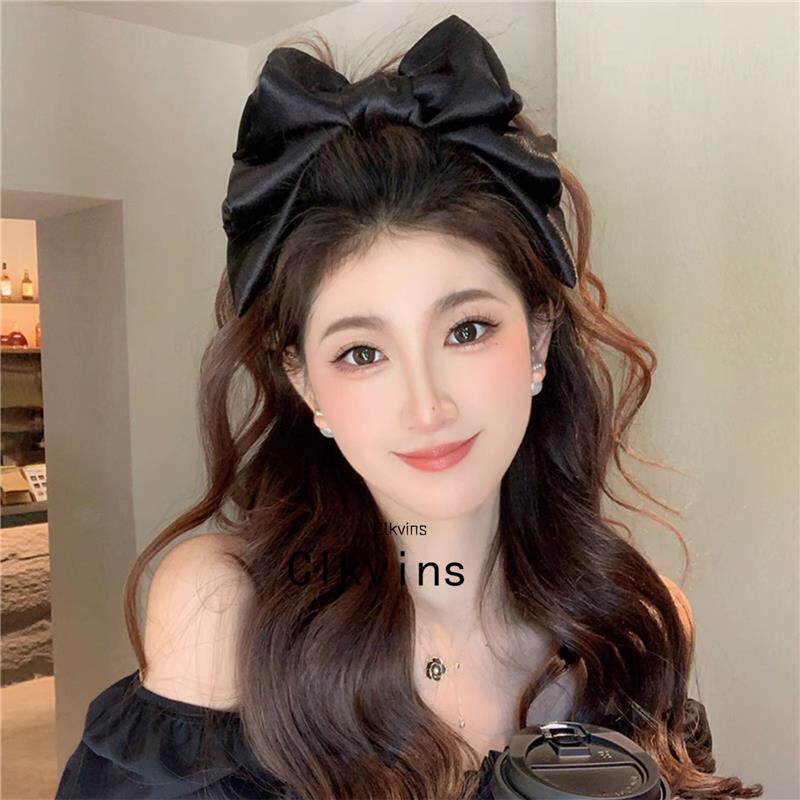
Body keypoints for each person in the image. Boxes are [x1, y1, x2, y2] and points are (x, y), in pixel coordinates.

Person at [56, 15, 761, 800]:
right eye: (362, 352)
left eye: (467, 330)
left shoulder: (637, 625)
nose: (427, 406)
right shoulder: (224, 610)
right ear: (305, 383)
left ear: (537, 339)